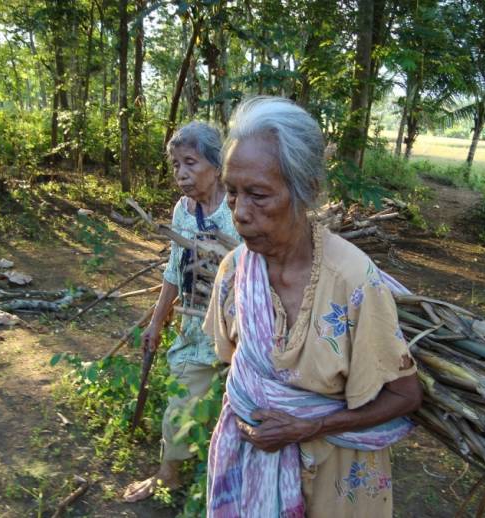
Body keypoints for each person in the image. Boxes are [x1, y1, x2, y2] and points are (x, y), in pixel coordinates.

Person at [203, 97, 423, 517]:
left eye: (259, 195)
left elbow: (405, 394)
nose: (241, 214)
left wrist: (313, 425)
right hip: (255, 461)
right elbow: (235, 365)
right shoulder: (235, 272)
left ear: (307, 191)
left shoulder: (353, 281)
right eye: (231, 193)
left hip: (336, 477)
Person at [123, 121, 240, 503]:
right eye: (176, 165)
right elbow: (174, 270)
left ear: (216, 163)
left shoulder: (237, 209)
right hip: (195, 324)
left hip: (239, 328)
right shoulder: (183, 211)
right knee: (181, 398)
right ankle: (168, 476)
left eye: (190, 162)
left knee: (239, 408)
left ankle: (229, 484)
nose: (181, 173)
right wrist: (157, 321)